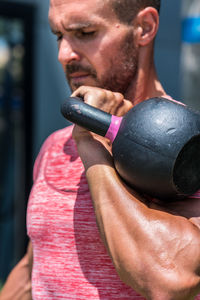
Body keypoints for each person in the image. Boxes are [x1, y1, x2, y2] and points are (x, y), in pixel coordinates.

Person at [1, 0, 200, 299]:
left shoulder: (188, 151)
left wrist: (92, 145)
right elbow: (36, 264)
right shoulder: (56, 147)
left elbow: (172, 279)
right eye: (58, 35)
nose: (63, 55)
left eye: (85, 32)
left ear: (144, 28)